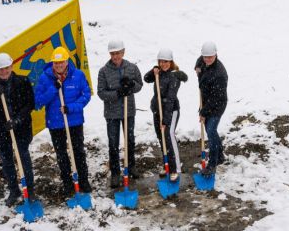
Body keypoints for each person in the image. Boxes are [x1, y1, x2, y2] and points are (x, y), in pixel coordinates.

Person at [0, 53, 35, 206]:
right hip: (0, 130)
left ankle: (30, 190)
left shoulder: (23, 81)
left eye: (6, 68)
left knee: (23, 157)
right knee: (7, 161)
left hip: (21, 128)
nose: (4, 72)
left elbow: (30, 104)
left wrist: (17, 120)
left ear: (11, 66)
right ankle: (14, 191)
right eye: (0, 69)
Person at [35, 47, 92, 198]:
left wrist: (71, 108)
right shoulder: (45, 78)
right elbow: (38, 101)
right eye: (56, 62)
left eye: (62, 62)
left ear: (67, 61)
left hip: (74, 121)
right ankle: (67, 183)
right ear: (52, 63)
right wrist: (53, 89)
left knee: (78, 151)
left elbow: (86, 95)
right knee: (61, 154)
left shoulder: (78, 75)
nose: (59, 65)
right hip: (55, 123)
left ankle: (83, 180)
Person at [97, 40, 143, 188]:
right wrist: (117, 93)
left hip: (128, 111)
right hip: (112, 113)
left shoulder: (132, 68)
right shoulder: (103, 71)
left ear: (123, 52)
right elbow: (101, 92)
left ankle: (131, 166)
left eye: (118, 53)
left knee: (129, 140)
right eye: (113, 54)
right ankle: (116, 173)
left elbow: (139, 85)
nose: (116, 56)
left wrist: (131, 86)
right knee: (113, 143)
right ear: (110, 54)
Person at [144, 49, 188, 182]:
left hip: (171, 111)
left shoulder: (174, 76)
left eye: (166, 61)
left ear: (171, 62)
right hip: (158, 110)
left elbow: (170, 99)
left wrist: (166, 119)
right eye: (161, 62)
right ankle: (166, 165)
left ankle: (174, 168)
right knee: (161, 137)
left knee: (168, 136)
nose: (163, 64)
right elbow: (146, 79)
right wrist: (153, 71)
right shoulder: (159, 73)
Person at [195, 42, 228, 176]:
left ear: (216, 55)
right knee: (211, 131)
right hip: (205, 101)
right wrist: (197, 67)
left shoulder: (219, 74)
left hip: (217, 104)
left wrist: (203, 112)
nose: (207, 59)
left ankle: (213, 163)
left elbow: (216, 99)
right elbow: (199, 60)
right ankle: (220, 155)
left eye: (210, 57)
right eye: (205, 57)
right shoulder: (203, 61)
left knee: (210, 130)